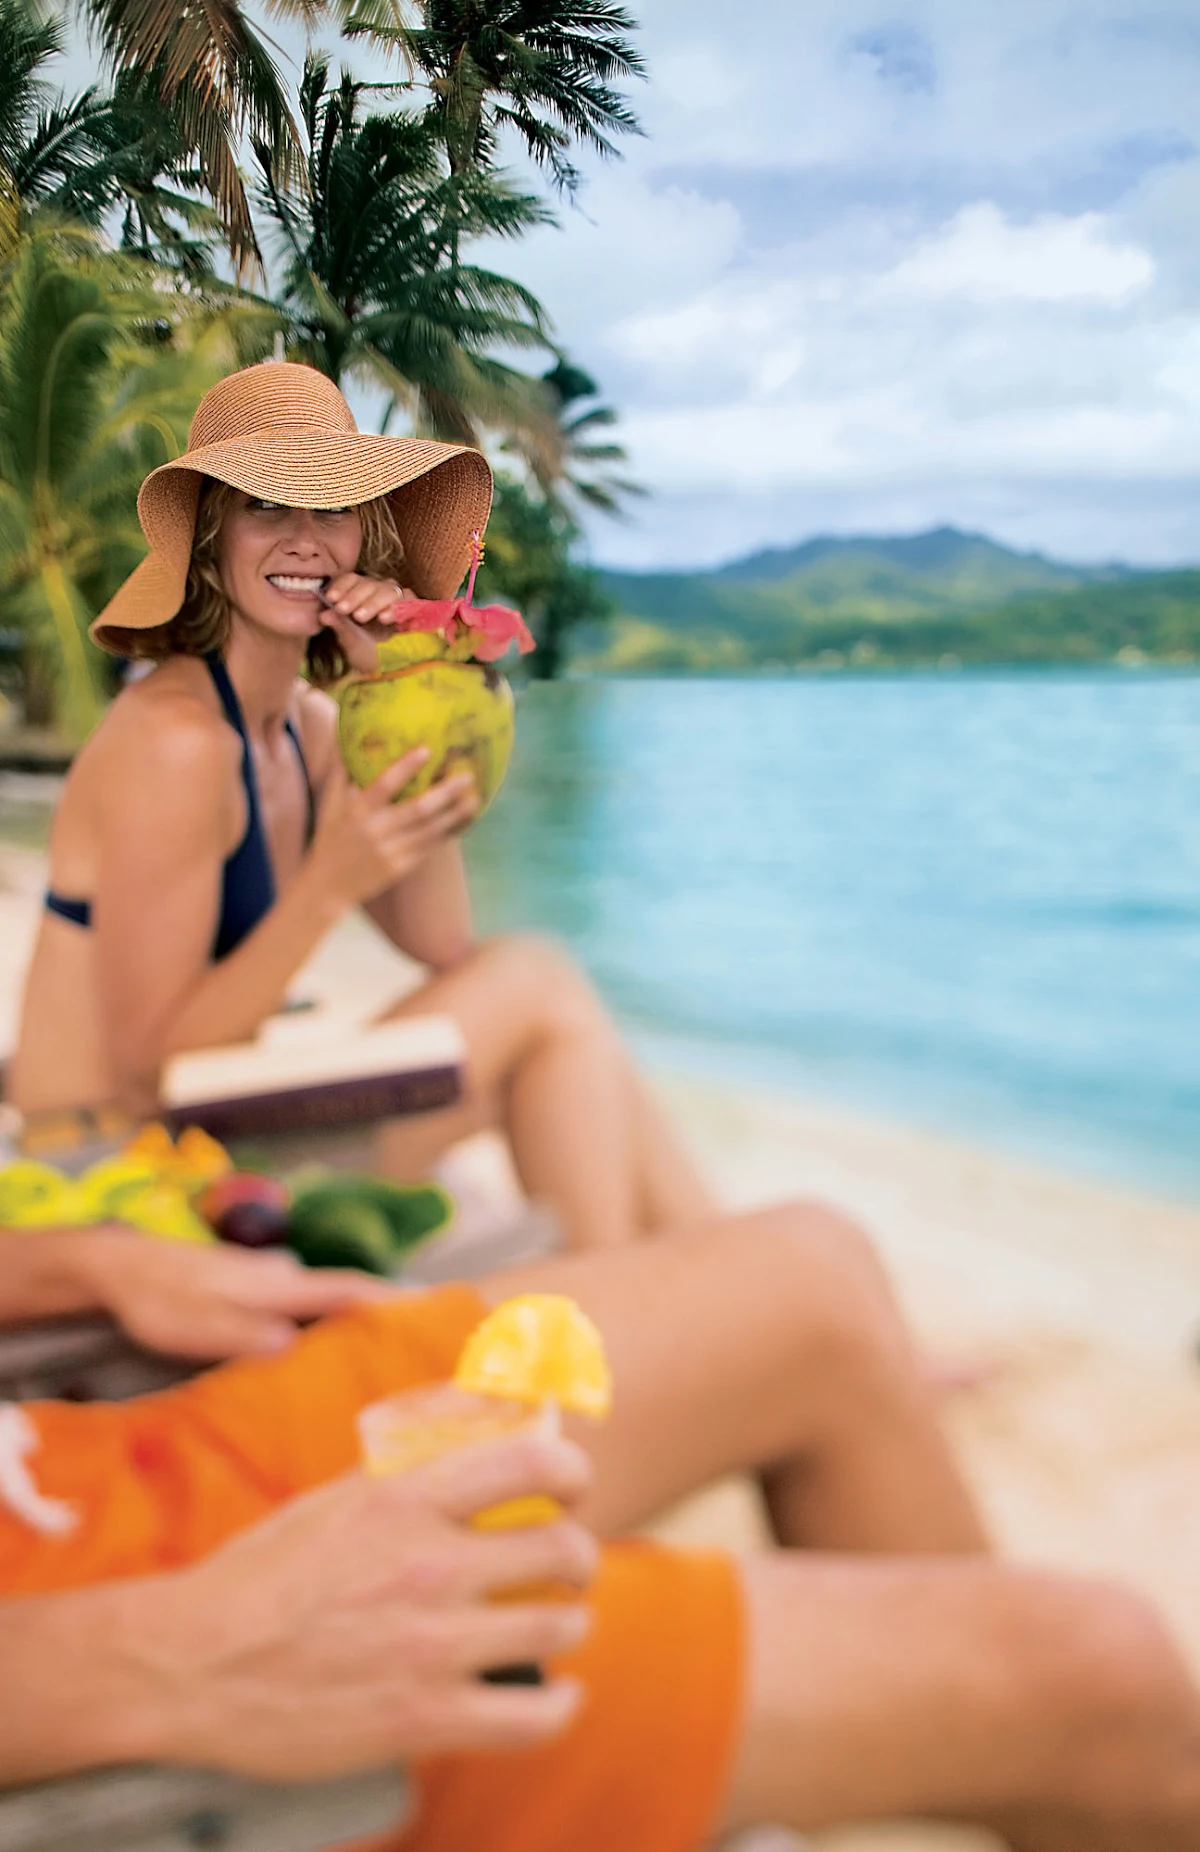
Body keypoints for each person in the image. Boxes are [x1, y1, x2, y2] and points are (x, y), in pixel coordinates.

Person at [2, 1212, 1199, 1849]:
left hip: (72, 1473)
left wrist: (71, 1263)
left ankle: (948, 1745)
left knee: (815, 1278)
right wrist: (156, 1656)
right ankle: (991, 1733)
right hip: (90, 1667)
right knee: (1103, 1666)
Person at [6, 361, 713, 1252]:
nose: (305, 541)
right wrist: (328, 884)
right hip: (106, 1174)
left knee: (557, 1035)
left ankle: (685, 1273)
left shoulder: (310, 726)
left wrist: (393, 680)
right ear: (212, 539)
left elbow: (441, 942)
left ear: (364, 538)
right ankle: (630, 1292)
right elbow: (151, 1073)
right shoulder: (176, 742)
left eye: (332, 510)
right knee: (537, 985)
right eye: (267, 507)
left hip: (200, 1135)